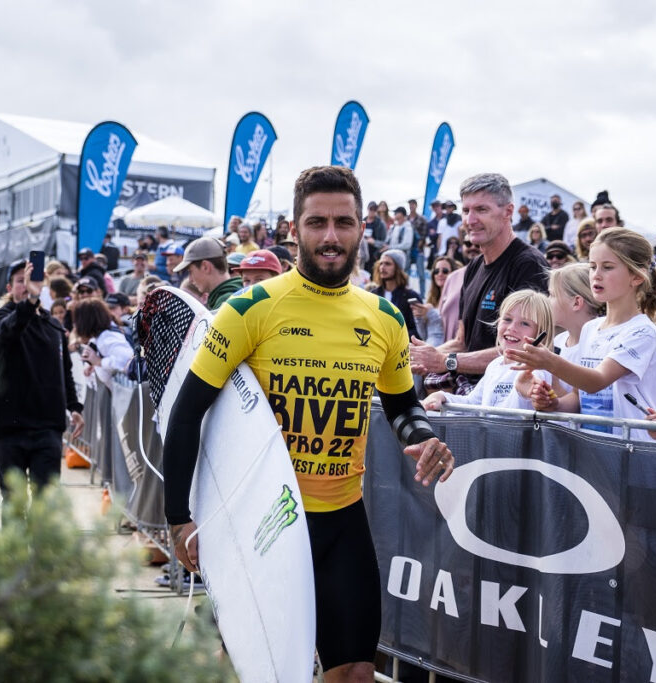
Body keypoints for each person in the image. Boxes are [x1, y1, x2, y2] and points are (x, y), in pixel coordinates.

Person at [162, 165, 454, 682]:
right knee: (257, 672)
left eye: (344, 222)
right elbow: (188, 413)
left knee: (357, 672)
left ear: (363, 227)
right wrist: (180, 517)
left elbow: (402, 407)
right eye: (317, 222)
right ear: (293, 228)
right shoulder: (251, 307)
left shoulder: (385, 318)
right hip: (263, 523)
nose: (330, 236)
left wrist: (425, 437)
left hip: (342, 519)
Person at [510, 227, 656, 441]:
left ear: (636, 277)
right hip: (594, 450)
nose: (596, 275)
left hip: (634, 451)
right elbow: (579, 396)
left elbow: (597, 381)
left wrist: (549, 361)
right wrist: (553, 403)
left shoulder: (642, 331)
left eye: (608, 267)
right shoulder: (590, 328)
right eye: (593, 266)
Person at [409, 173, 549, 389]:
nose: (470, 221)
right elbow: (462, 342)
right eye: (466, 210)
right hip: (471, 392)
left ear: (508, 212)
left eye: (481, 210)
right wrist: (420, 356)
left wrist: (445, 361)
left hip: (505, 398)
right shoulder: (474, 267)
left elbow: (522, 351)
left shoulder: (529, 265)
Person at [0, 259, 84, 505]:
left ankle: (42, 547)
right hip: (10, 429)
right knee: (14, 504)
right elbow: (8, 331)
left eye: (32, 280)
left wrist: (74, 407)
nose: (26, 285)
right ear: (10, 288)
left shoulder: (53, 326)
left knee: (46, 507)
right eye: (20, 281)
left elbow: (65, 370)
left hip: (47, 429)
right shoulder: (1, 317)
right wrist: (30, 303)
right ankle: (14, 546)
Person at [423, 289, 554, 408]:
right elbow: (473, 403)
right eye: (507, 319)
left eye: (524, 323)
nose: (512, 328)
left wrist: (524, 393)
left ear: (541, 333)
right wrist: (441, 396)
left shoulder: (537, 370)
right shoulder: (495, 365)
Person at [546, 263, 601, 392]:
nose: (547, 301)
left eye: (552, 295)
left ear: (576, 302)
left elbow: (582, 403)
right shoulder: (559, 341)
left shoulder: (598, 346)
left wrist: (553, 388)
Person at [73, 298, 135, 388]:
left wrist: (99, 362)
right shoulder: (102, 335)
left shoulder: (107, 337)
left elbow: (126, 360)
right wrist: (93, 365)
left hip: (131, 395)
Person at [174, 236, 243, 310]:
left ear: (205, 267)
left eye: (191, 271)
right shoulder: (228, 295)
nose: (190, 280)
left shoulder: (226, 302)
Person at [370, 249, 422, 339]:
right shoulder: (373, 295)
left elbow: (418, 329)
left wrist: (396, 338)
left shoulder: (411, 296)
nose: (382, 267)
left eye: (387, 264)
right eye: (381, 263)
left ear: (398, 268)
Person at [411, 256, 458, 347]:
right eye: (436, 271)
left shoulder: (457, 299)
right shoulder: (431, 300)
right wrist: (418, 318)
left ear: (453, 274)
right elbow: (425, 335)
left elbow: (449, 333)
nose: (440, 274)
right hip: (429, 349)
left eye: (445, 271)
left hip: (446, 352)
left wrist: (431, 313)